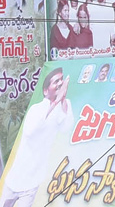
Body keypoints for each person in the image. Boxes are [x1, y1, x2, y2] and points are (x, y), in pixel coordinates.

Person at [0, 68, 74, 207]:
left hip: (33, 180)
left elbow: (67, 128)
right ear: (46, 91)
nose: (60, 83)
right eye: (55, 81)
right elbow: (30, 132)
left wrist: (62, 102)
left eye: (61, 80)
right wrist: (54, 103)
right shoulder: (36, 108)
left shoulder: (65, 105)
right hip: (16, 176)